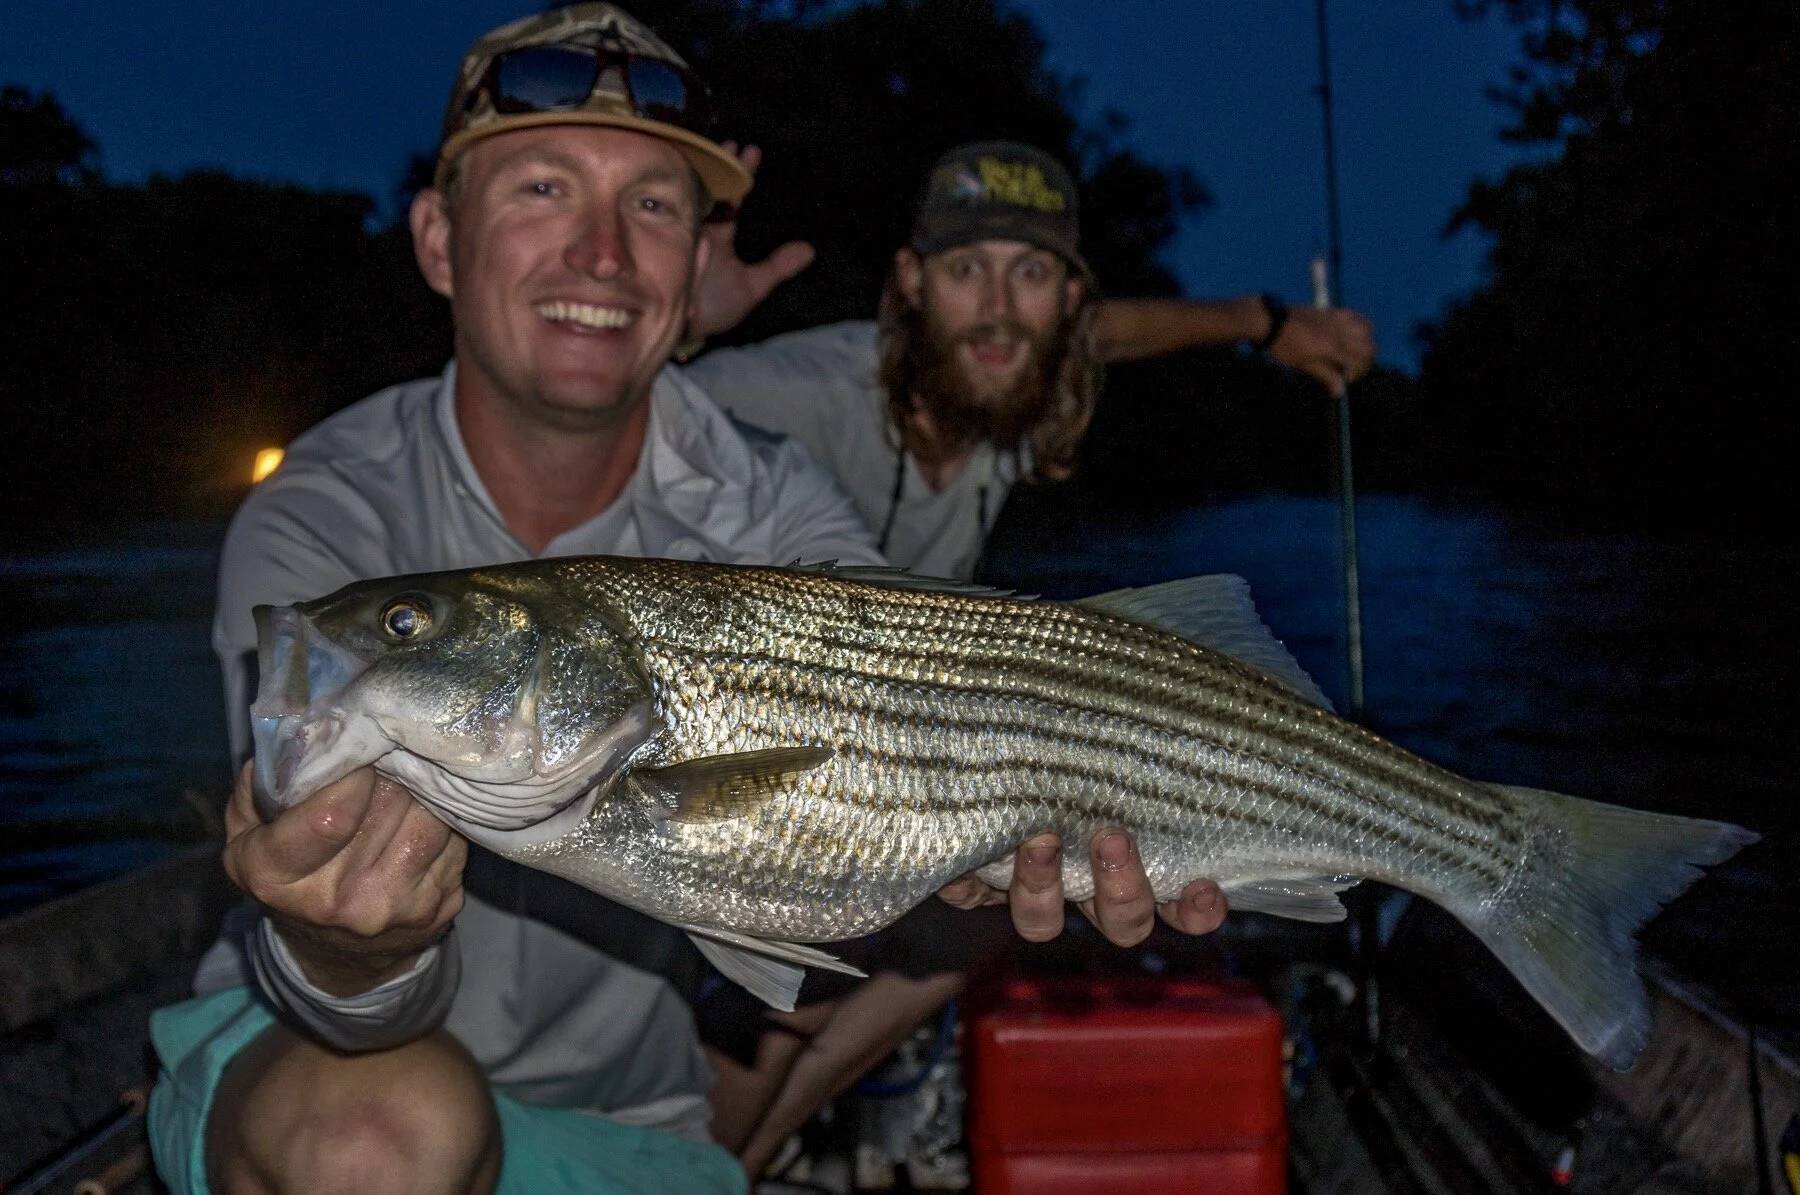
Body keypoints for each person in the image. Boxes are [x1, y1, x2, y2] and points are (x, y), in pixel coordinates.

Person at [144, 8, 1223, 1194]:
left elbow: (903, 670)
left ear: (695, 265)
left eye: (652, 206)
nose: (603, 252)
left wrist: (1006, 799)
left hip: (643, 1108)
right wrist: (352, 951)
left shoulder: (769, 492)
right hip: (315, 1070)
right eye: (544, 188)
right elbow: (344, 991)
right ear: (440, 241)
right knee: (388, 1136)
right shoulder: (323, 520)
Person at [685, 139, 1379, 580]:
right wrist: (677, 326)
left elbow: (1110, 333)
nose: (999, 307)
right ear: (912, 280)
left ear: (1068, 299)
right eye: (966, 268)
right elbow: (636, 408)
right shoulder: (798, 389)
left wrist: (1264, 323)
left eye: (1031, 273)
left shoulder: (1020, 377)